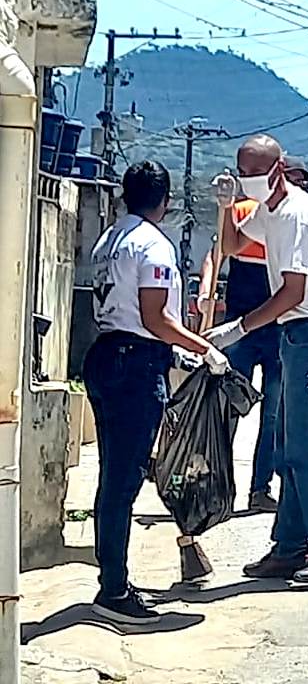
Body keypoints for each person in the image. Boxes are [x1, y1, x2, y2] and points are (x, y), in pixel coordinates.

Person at [85, 160, 229, 624]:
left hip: (104, 353)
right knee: (123, 482)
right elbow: (155, 318)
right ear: (165, 202)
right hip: (134, 364)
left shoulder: (108, 240)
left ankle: (113, 577)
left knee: (114, 477)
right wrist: (203, 347)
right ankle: (114, 591)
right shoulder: (155, 246)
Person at [207, 134, 308, 583]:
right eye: (243, 172)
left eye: (255, 172)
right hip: (298, 332)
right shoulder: (268, 212)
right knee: (290, 446)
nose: (249, 180)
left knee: (305, 447)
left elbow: (292, 290)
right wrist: (225, 206)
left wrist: (240, 326)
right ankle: (291, 547)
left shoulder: (294, 214)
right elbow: (232, 246)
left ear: (278, 168)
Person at [199, 189, 281, 513]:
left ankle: (260, 489)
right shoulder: (241, 211)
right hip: (239, 330)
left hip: (277, 329)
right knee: (228, 410)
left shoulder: (287, 218)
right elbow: (215, 254)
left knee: (273, 416)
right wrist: (206, 291)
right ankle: (218, 488)